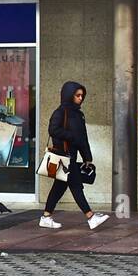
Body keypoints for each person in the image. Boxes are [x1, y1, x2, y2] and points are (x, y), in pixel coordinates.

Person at [41, 81, 110, 230]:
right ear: (69, 95)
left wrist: (87, 158)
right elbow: (53, 130)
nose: (80, 98)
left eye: (82, 95)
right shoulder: (60, 112)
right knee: (76, 185)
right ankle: (90, 216)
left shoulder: (79, 115)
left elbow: (83, 138)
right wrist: (70, 136)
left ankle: (46, 216)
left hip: (72, 156)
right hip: (63, 156)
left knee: (59, 187)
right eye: (77, 95)